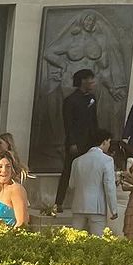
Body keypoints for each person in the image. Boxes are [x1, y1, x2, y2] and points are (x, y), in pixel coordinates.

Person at [55, 69, 99, 213]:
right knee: (68, 170)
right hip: (75, 142)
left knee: (89, 173)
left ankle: (86, 203)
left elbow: (94, 121)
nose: (93, 83)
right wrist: (72, 142)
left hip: (89, 142)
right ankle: (58, 202)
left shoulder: (92, 98)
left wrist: (97, 140)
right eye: (90, 80)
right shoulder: (71, 100)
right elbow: (68, 124)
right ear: (83, 81)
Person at [66, 128, 119, 235]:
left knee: (75, 238)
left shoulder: (77, 161)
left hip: (78, 205)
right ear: (104, 141)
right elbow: (109, 187)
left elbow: (71, 184)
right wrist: (113, 209)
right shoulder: (107, 160)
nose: (109, 145)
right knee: (97, 239)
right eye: (109, 142)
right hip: (97, 207)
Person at [0, 153, 30, 228]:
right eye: (0, 166)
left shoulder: (16, 189)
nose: (4, 170)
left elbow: (22, 223)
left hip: (10, 234)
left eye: (8, 166)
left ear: (12, 170)